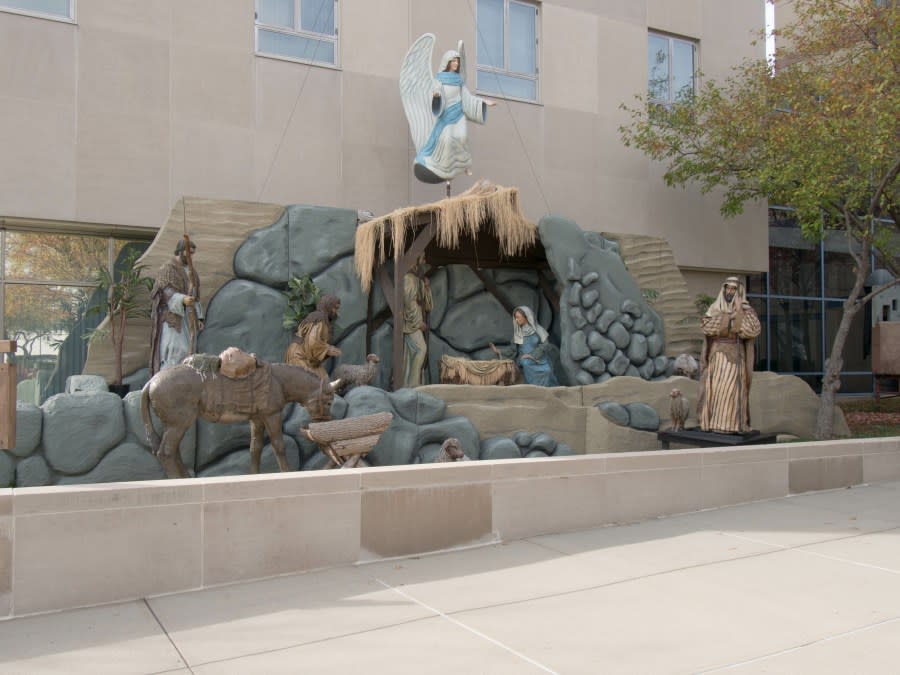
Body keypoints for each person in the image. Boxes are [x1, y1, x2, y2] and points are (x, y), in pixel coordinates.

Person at [400, 35, 496, 183]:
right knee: (446, 139)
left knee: (462, 137)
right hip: (446, 117)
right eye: (454, 61)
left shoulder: (459, 81)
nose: (457, 63)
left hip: (458, 114)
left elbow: (467, 98)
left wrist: (483, 102)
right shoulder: (439, 80)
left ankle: (465, 166)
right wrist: (437, 96)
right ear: (448, 62)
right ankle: (445, 169)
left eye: (458, 61)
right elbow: (436, 95)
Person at [697, 276, 761, 434]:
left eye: (734, 289)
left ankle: (732, 425)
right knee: (715, 390)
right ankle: (712, 423)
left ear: (739, 291)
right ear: (724, 289)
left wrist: (737, 315)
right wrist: (729, 318)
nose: (730, 291)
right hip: (716, 356)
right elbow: (707, 327)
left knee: (732, 391)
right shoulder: (715, 308)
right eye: (728, 288)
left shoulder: (747, 310)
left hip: (735, 356)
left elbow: (752, 330)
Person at [149, 238, 203, 375]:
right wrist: (182, 299)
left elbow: (196, 297)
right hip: (172, 318)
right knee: (176, 350)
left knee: (189, 352)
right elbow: (166, 291)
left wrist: (200, 318)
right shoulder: (168, 268)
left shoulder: (192, 272)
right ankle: (166, 382)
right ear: (180, 251)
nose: (191, 256)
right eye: (188, 253)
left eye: (192, 253)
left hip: (189, 319)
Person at [490, 306, 558, 387]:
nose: (516, 320)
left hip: (539, 358)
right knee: (526, 364)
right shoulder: (518, 333)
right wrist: (498, 351)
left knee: (547, 370)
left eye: (518, 317)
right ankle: (533, 388)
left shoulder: (538, 330)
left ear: (526, 317)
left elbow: (545, 344)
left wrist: (532, 355)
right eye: (515, 317)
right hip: (524, 359)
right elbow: (512, 350)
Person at [284, 294, 341, 380]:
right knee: (313, 384)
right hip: (299, 357)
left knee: (323, 380)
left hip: (307, 359)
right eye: (335, 308)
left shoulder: (322, 319)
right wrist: (328, 349)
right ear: (328, 306)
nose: (337, 312)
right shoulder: (319, 319)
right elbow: (313, 342)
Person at [402, 258, 433, 387]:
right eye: (423, 257)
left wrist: (425, 287)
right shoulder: (408, 279)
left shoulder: (416, 280)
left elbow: (428, 306)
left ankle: (410, 383)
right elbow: (408, 302)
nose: (425, 260)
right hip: (412, 323)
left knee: (411, 354)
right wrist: (417, 322)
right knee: (421, 349)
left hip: (414, 322)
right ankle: (413, 384)